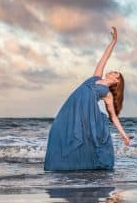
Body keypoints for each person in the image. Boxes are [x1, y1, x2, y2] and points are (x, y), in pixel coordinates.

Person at [44, 27, 130, 171]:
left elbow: (113, 117)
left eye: (115, 73)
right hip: (72, 107)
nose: (112, 71)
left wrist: (124, 135)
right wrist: (114, 42)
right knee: (57, 129)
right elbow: (104, 58)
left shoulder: (108, 94)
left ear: (117, 81)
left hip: (87, 115)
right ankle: (61, 165)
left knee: (85, 140)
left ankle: (84, 168)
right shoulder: (97, 76)